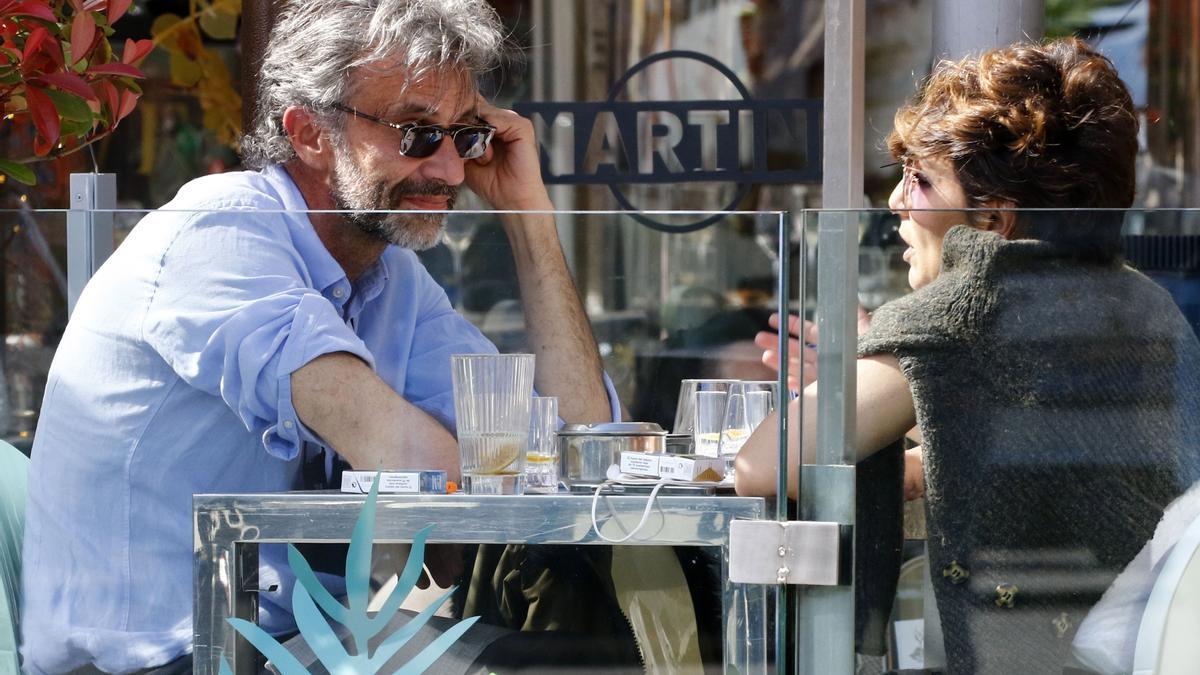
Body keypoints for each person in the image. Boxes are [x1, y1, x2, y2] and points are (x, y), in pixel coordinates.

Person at [20, 1, 620, 672]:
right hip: (171, 656)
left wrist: (527, 212)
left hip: (301, 640)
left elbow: (578, 439)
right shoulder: (216, 239)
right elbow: (399, 449)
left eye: (468, 136)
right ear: (310, 134)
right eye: (418, 133)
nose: (452, 171)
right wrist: (502, 462)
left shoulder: (391, 276)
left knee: (594, 659)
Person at [737, 38, 1200, 674]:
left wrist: (878, 364)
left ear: (994, 219)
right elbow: (1041, 441)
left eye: (919, 179)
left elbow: (758, 467)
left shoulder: (967, 308)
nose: (896, 202)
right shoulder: (1141, 302)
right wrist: (895, 393)